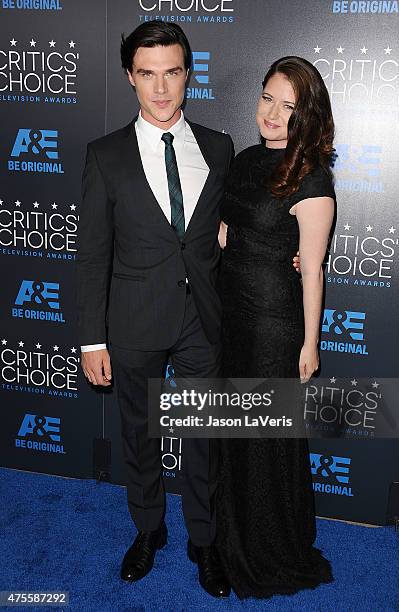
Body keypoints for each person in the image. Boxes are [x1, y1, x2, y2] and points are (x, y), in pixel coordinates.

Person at [76, 21, 233, 598]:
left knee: (203, 436)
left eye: (172, 72)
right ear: (130, 78)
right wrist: (93, 339)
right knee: (139, 435)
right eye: (148, 74)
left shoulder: (218, 147)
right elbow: (91, 255)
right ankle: (148, 529)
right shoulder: (105, 155)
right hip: (133, 320)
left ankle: (205, 538)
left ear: (188, 75)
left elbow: (224, 228)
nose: (161, 88)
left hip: (201, 320)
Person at [216, 56, 335, 599]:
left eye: (289, 106)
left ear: (306, 115)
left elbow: (312, 268)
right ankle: (232, 534)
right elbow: (223, 236)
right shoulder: (241, 162)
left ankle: (270, 546)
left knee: (266, 437)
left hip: (273, 326)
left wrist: (309, 344)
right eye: (268, 98)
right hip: (229, 318)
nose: (273, 113)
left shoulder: (311, 176)